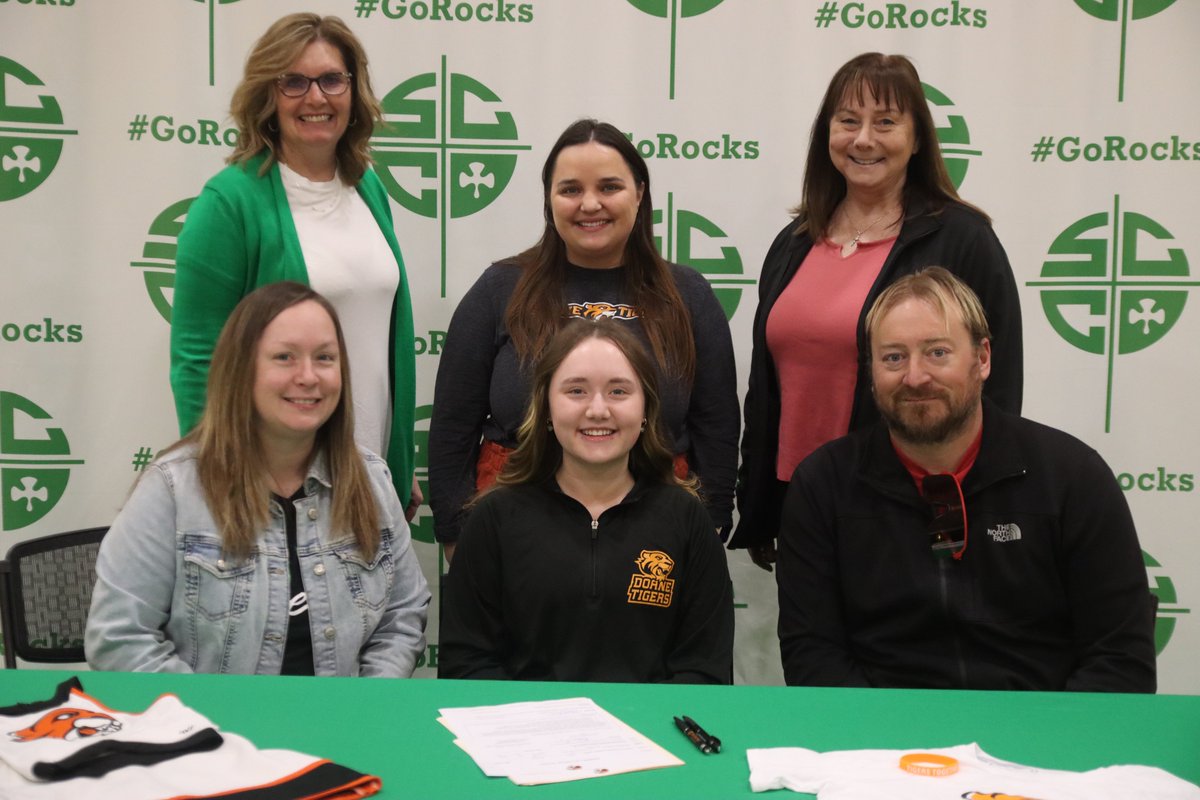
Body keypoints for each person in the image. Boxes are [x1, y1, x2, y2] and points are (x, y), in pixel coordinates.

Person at [776, 267, 1155, 692]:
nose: (915, 376)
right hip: (883, 738)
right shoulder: (823, 486)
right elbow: (813, 655)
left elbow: (1120, 658)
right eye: (893, 357)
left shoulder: (1073, 477)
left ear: (983, 358)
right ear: (871, 371)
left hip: (1039, 734)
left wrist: (1042, 743)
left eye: (937, 352)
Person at [729, 53, 1023, 570]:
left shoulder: (962, 240)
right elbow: (768, 384)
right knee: (812, 647)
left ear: (917, 138)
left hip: (910, 507)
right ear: (828, 134)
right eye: (848, 121)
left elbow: (998, 387)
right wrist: (759, 505)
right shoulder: (793, 243)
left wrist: (956, 515)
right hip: (801, 502)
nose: (864, 139)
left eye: (885, 122)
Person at [428, 118, 739, 561]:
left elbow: (718, 426)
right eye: (570, 189)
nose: (589, 204)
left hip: (658, 532)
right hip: (511, 528)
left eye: (609, 187)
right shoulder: (501, 289)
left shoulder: (688, 295)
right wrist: (456, 532)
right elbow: (453, 426)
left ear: (640, 193)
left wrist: (710, 521)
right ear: (549, 200)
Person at [87, 283, 430, 677]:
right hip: (208, 732)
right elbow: (120, 640)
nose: (308, 376)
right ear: (241, 370)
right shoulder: (173, 489)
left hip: (345, 728)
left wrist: (363, 706)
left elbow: (402, 617)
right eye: (284, 357)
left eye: (325, 358)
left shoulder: (371, 481)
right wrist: (215, 726)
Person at [170, 13, 420, 516]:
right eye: (294, 82)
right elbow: (197, 358)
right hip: (273, 479)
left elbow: (376, 335)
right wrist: (221, 477)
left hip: (369, 469)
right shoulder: (230, 202)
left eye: (332, 79)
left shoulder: (366, 184)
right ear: (268, 95)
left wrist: (398, 463)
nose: (316, 98)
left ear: (353, 89)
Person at [438, 319, 734, 683]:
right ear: (545, 408)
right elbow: (466, 665)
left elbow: (705, 669)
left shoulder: (687, 520)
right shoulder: (493, 519)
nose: (597, 410)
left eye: (618, 392)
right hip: (525, 735)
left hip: (652, 735)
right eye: (576, 391)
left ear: (646, 411)